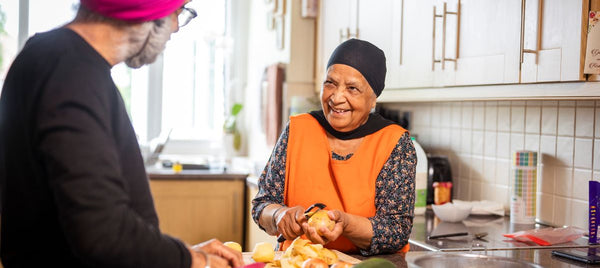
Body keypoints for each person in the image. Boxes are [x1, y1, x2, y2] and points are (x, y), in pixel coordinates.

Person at [0, 1, 243, 267]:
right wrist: (195, 261)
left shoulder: (53, 57)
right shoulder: (70, 74)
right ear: (146, 10)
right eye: (176, 11)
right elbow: (103, 233)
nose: (175, 26)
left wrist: (182, 254)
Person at [251, 38, 416, 255]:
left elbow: (396, 230)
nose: (337, 97)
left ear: (373, 98)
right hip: (298, 261)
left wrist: (346, 225)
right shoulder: (298, 130)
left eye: (352, 88)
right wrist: (278, 216)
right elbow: (262, 204)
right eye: (330, 83)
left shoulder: (394, 143)